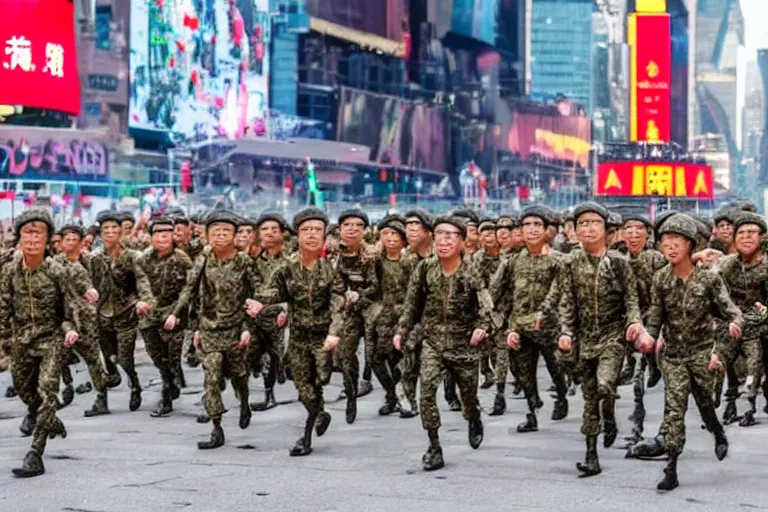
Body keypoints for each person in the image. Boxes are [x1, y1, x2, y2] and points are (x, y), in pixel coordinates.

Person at [642, 213, 740, 490]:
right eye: (665, 242)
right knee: (674, 410)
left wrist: (734, 324)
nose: (670, 247)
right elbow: (655, 316)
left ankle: (717, 431)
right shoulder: (660, 279)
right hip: (673, 356)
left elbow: (730, 311)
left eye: (676, 241)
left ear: (690, 245)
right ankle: (671, 468)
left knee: (706, 405)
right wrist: (649, 337)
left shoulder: (708, 281)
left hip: (701, 353)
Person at [394, 215, 494, 471]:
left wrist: (482, 327)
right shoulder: (425, 269)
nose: (444, 240)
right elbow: (411, 304)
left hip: (464, 344)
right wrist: (402, 330)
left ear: (461, 241)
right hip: (433, 342)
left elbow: (486, 304)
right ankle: (434, 445)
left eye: (451, 235)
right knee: (426, 391)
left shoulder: (471, 270)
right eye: (440, 234)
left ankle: (473, 417)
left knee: (468, 397)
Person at [247, 207, 346, 456]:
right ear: (298, 235)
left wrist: (334, 332)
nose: (311, 235)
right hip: (300, 338)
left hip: (324, 337)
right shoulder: (286, 267)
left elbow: (338, 303)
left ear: (324, 235)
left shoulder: (332, 268)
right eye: (306, 230)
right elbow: (274, 291)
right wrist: (260, 301)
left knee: (320, 379)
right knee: (304, 389)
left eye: (317, 230)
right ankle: (311, 428)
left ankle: (317, 412)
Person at [558, 202, 643, 477]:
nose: (588, 228)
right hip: (584, 339)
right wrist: (566, 332)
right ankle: (591, 455)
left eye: (594, 222)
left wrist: (634, 322)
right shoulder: (570, 262)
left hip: (612, 336)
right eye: (582, 223)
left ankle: (609, 414)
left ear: (606, 229)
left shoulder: (618, 262)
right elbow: (566, 302)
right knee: (590, 397)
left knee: (605, 384)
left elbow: (631, 299)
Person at [165, 210, 258, 449]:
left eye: (226, 232)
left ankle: (244, 401)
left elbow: (255, 297)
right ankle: (216, 428)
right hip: (209, 330)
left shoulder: (244, 262)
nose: (220, 236)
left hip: (236, 328)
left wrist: (248, 329)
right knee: (212, 378)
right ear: (206, 235)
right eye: (215, 232)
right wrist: (178, 315)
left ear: (235, 236)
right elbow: (190, 291)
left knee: (239, 376)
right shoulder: (203, 259)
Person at [1, 209, 77, 477]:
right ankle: (42, 414)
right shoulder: (10, 271)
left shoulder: (58, 271)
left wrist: (69, 330)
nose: (32, 240)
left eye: (38, 234)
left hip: (51, 339)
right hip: (22, 341)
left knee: (47, 390)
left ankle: (36, 452)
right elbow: (3, 307)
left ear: (47, 240)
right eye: (27, 234)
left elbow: (70, 310)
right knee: (24, 389)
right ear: (19, 239)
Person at [492, 205, 568, 432]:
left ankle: (561, 396)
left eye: (537, 225)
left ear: (546, 231)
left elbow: (564, 296)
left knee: (556, 369)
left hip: (549, 328)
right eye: (527, 225)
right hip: (520, 326)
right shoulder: (514, 261)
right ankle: (531, 411)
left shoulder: (559, 261)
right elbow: (497, 291)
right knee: (524, 372)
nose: (532, 230)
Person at [90, 210, 154, 411]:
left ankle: (134, 385)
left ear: (120, 232)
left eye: (114, 228)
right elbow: (89, 283)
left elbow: (142, 280)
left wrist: (144, 301)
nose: (110, 232)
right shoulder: (95, 258)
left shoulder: (132, 257)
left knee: (125, 358)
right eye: (105, 229)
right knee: (108, 356)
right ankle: (111, 379)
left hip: (126, 312)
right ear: (100, 233)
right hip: (102, 314)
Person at [136, 217, 193, 417]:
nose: (163, 237)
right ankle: (171, 381)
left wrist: (176, 314)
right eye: (158, 233)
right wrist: (139, 302)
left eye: (167, 233)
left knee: (172, 357)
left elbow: (189, 289)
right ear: (151, 237)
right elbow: (134, 286)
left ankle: (166, 396)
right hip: (149, 317)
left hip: (173, 315)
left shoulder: (182, 259)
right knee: (158, 358)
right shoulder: (142, 259)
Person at [717, 211, 768, 426]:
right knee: (723, 359)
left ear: (762, 237)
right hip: (733, 323)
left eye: (752, 233)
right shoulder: (727, 264)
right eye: (741, 233)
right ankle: (728, 403)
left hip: (761, 326)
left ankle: (750, 404)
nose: (746, 237)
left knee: (754, 362)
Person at [54, 222, 110, 417]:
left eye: (74, 239)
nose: (70, 243)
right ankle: (66, 388)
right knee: (56, 353)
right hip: (62, 316)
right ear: (60, 243)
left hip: (86, 317)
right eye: (66, 239)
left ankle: (101, 396)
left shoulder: (91, 260)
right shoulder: (55, 263)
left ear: (81, 242)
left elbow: (100, 283)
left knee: (92, 357)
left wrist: (94, 297)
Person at [328, 208, 379, 424]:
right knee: (346, 354)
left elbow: (378, 286)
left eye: (358, 225)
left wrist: (361, 294)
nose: (352, 229)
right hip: (347, 309)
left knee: (375, 355)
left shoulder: (372, 255)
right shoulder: (333, 254)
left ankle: (391, 394)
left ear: (364, 230)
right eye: (348, 225)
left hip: (370, 308)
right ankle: (351, 394)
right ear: (340, 229)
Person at [248, 212, 290, 412]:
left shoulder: (292, 260)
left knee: (279, 356)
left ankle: (274, 387)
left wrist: (285, 309)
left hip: (281, 314)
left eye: (275, 229)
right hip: (255, 314)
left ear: (283, 233)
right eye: (264, 229)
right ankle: (268, 393)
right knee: (257, 353)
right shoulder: (253, 260)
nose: (270, 233)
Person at [398, 208, 434, 418]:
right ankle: (409, 400)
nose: (410, 230)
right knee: (409, 356)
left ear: (429, 232)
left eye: (415, 225)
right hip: (416, 319)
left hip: (444, 319)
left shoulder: (443, 255)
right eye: (407, 226)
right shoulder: (407, 260)